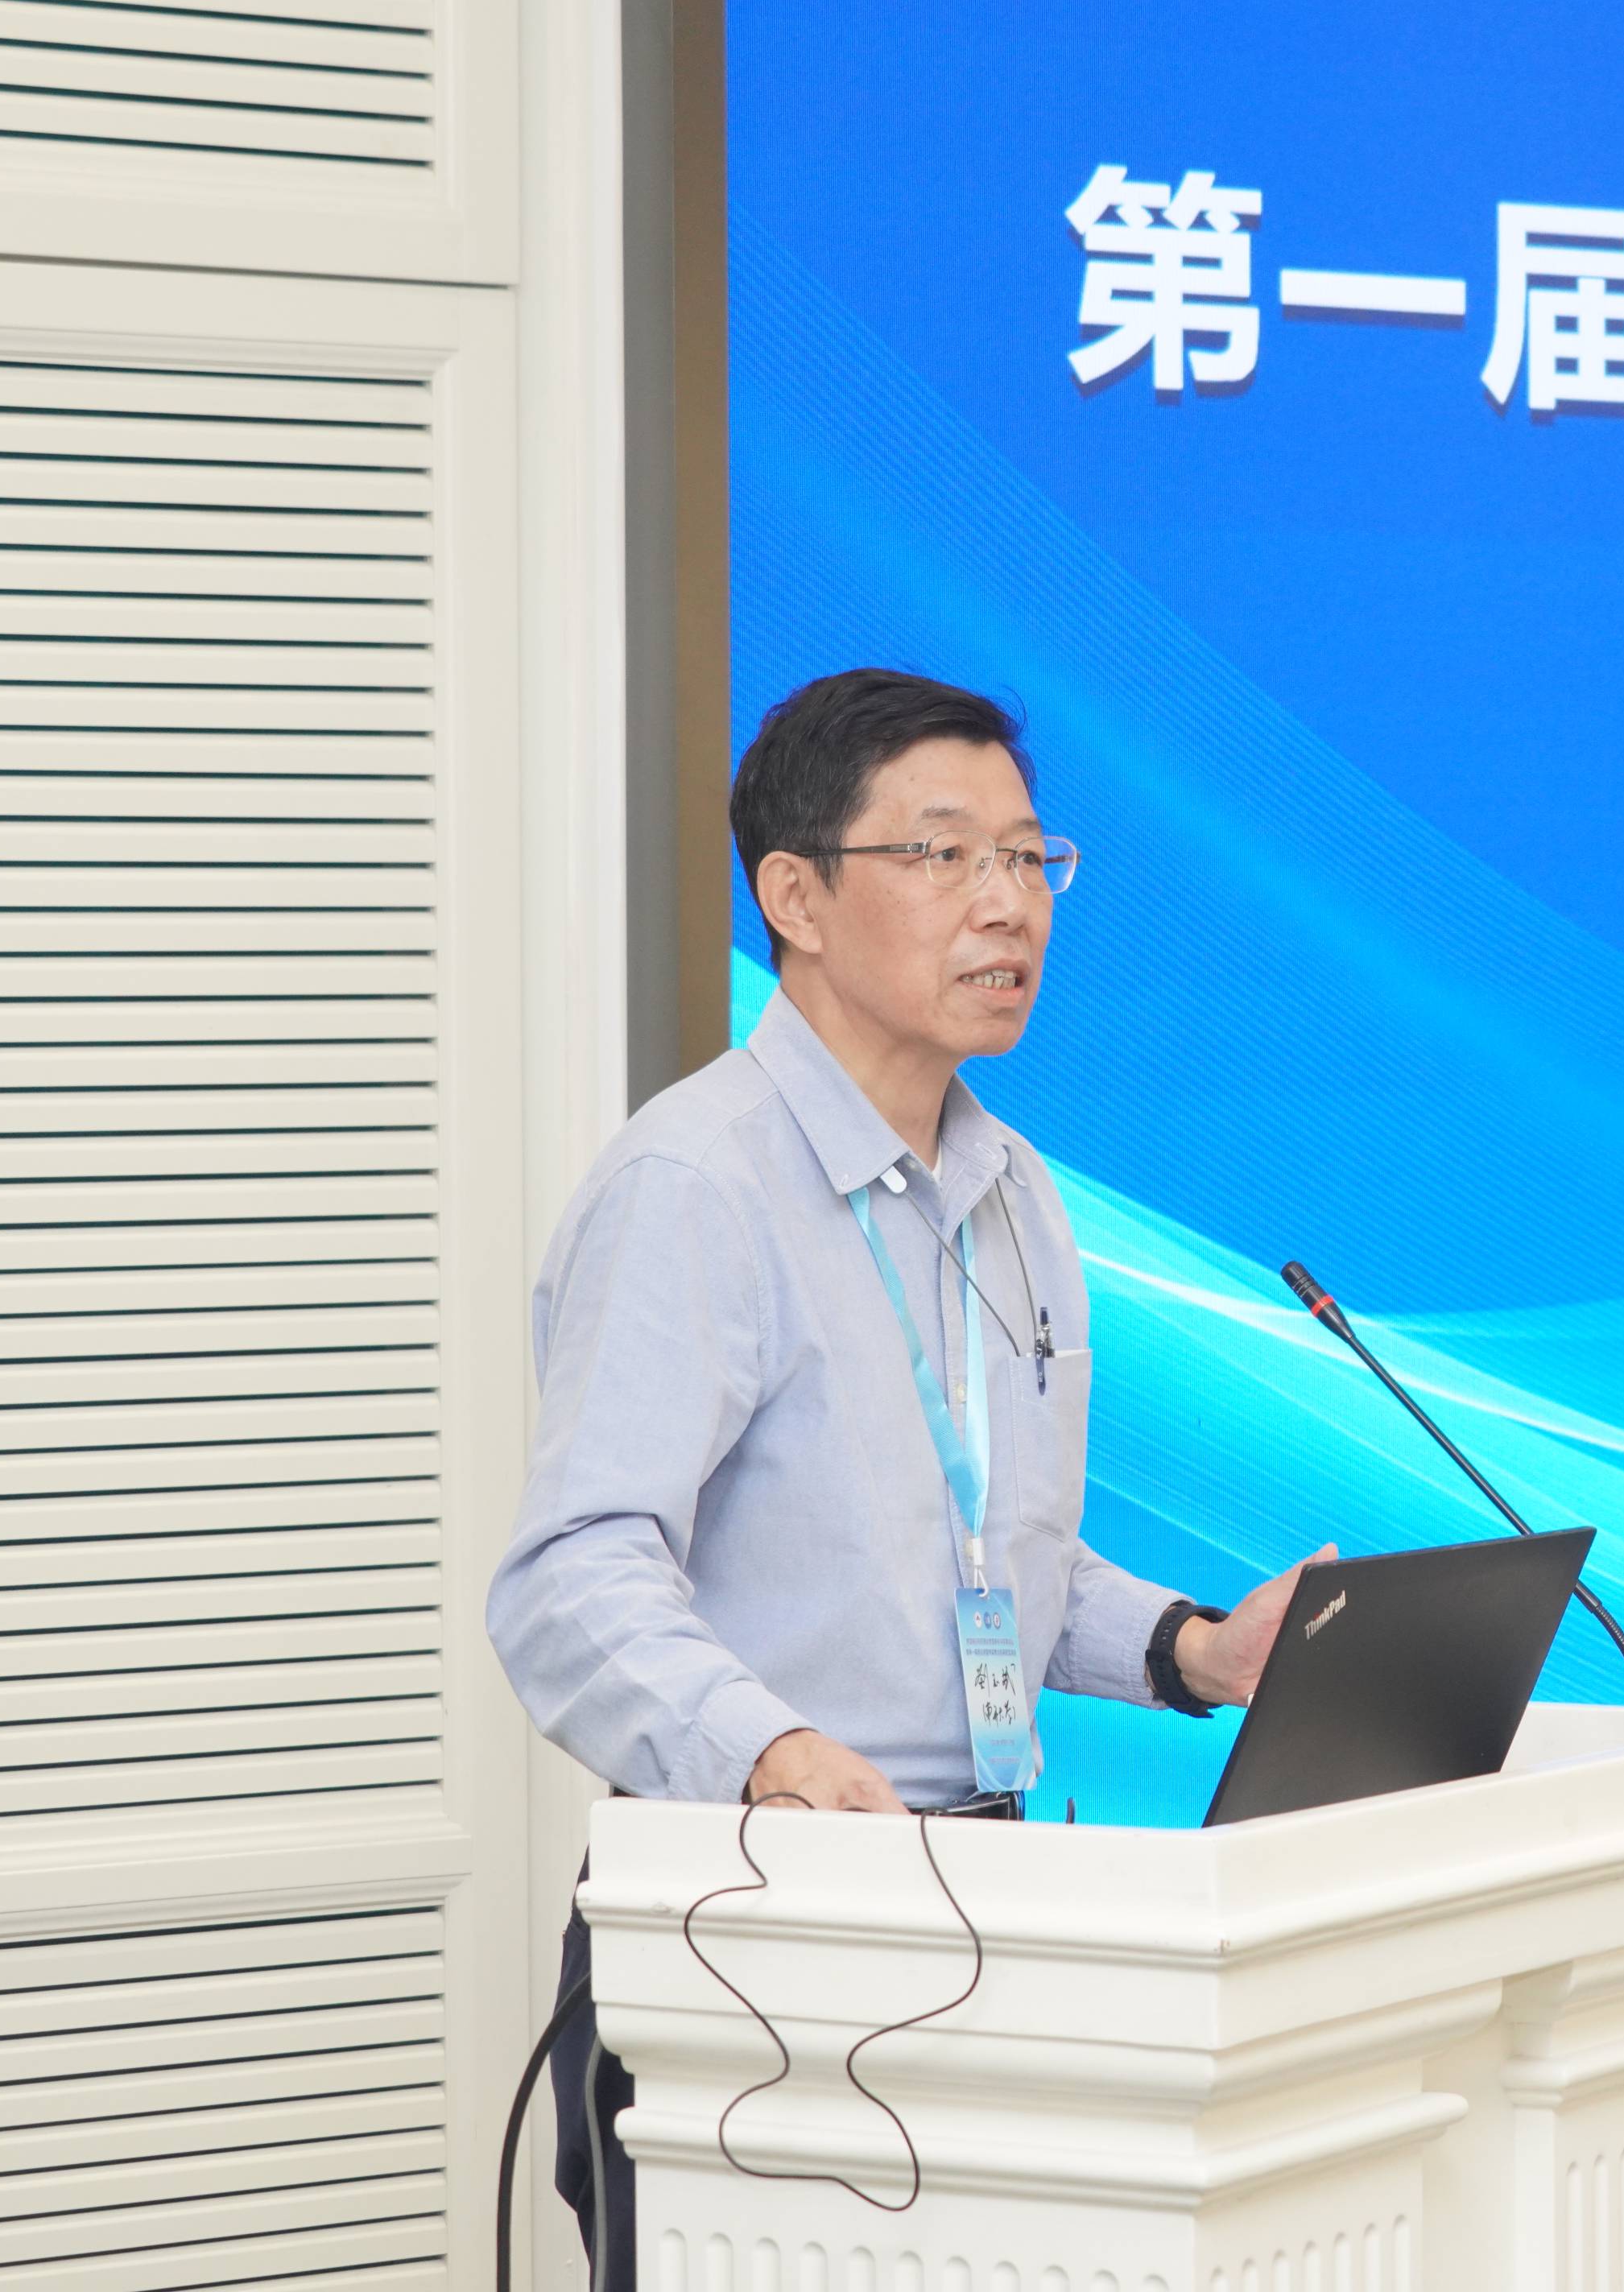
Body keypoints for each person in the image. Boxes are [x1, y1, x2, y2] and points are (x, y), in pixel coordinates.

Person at [486, 667, 1330, 2287]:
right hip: (760, 1926)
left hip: (989, 1905)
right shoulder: (695, 1186)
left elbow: (995, 1552)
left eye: (1028, 858)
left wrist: (1191, 1649)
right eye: (943, 855)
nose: (1006, 905)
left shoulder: (1015, 1193)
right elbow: (570, 1577)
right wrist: (769, 1750)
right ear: (793, 897)